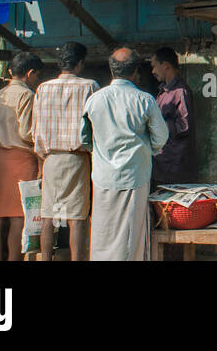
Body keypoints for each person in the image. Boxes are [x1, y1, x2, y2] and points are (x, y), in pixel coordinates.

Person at [82, 48, 168, 261]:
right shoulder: (144, 100)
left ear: (112, 69)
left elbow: (84, 138)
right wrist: (150, 148)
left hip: (103, 177)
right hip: (134, 175)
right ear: (135, 72)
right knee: (131, 237)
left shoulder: (95, 100)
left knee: (103, 232)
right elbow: (161, 137)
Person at [33, 42, 97, 261]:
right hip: (77, 158)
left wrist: (42, 159)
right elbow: (95, 125)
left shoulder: (43, 88)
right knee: (77, 217)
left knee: (49, 216)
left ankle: (46, 259)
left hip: (50, 158)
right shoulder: (89, 86)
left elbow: (37, 129)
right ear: (79, 63)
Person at [0, 52, 43, 261]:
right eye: (36, 76)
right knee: (19, 215)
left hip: (1, 159)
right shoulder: (27, 95)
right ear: (30, 72)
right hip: (23, 159)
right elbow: (28, 132)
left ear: (10, 71)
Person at [150, 47, 195, 186]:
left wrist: (157, 126)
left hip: (173, 166)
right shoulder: (164, 92)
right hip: (161, 163)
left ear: (166, 66)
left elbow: (184, 126)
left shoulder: (180, 91)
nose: (152, 71)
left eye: (154, 66)